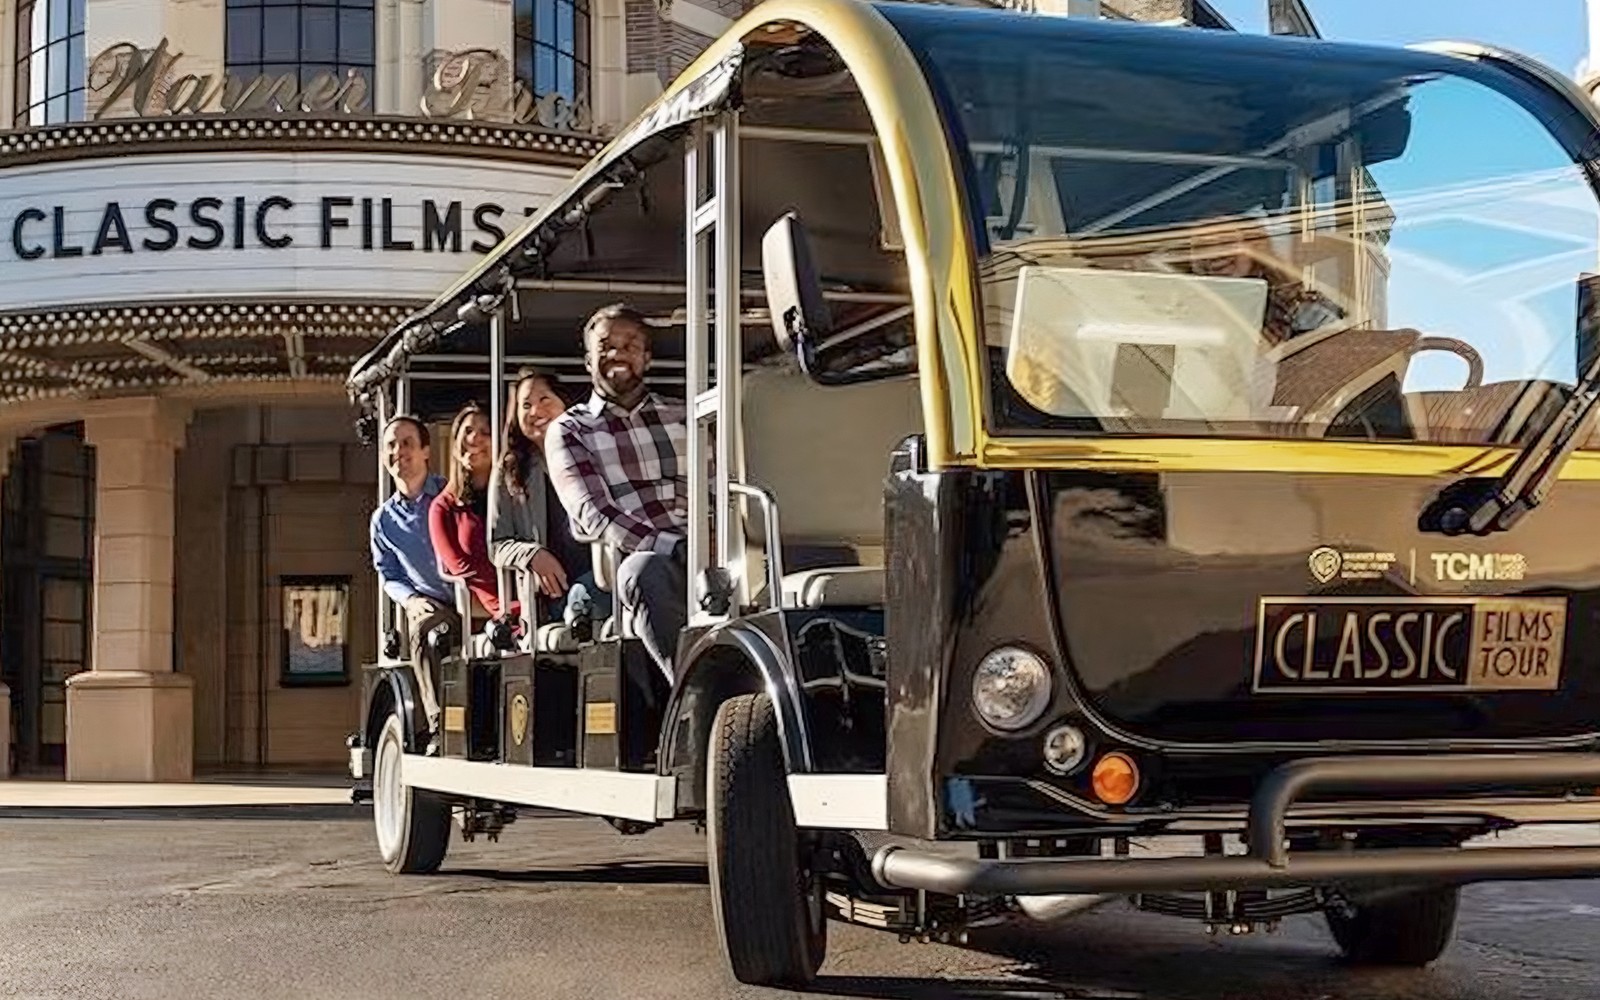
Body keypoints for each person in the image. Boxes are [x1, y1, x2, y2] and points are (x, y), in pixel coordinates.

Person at [545, 303, 689, 677]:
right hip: (642, 556)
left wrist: (714, 540)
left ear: (647, 358)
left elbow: (719, 487)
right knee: (643, 573)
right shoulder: (570, 430)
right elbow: (593, 512)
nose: (618, 354)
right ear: (588, 361)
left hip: (708, 548)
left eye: (630, 345)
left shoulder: (685, 415)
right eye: (606, 346)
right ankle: (694, 692)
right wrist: (673, 547)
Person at [488, 368, 614, 639]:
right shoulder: (510, 471)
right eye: (526, 405)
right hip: (548, 596)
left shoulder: (597, 453)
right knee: (577, 604)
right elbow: (496, 545)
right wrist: (532, 555)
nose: (535, 411)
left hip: (602, 579)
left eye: (544, 399)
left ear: (564, 403)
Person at [369, 415, 454, 753]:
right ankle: (439, 726)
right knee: (424, 630)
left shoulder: (451, 493)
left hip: (477, 598)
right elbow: (388, 573)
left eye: (407, 443)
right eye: (391, 445)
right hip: (437, 605)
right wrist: (410, 600)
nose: (398, 452)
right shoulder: (383, 521)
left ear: (425, 451)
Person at [428, 402, 519, 624]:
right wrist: (509, 607)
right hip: (500, 608)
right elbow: (465, 571)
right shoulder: (443, 508)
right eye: (467, 430)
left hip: (534, 592)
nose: (474, 438)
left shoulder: (516, 493)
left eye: (485, 433)